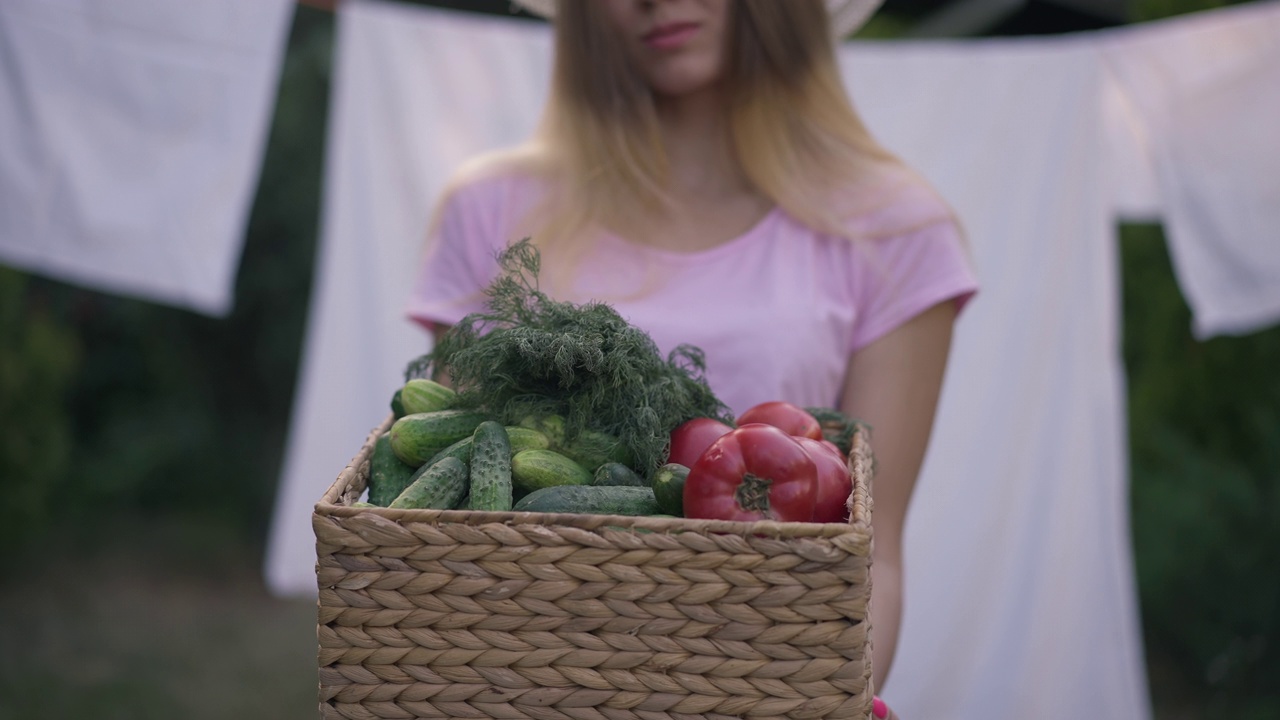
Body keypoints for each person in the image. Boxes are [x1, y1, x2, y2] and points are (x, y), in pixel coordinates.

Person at [406, 1, 978, 717]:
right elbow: (449, 504)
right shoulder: (487, 209)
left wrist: (813, 700)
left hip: (772, 674)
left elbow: (873, 552)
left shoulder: (895, 231)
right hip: (525, 675)